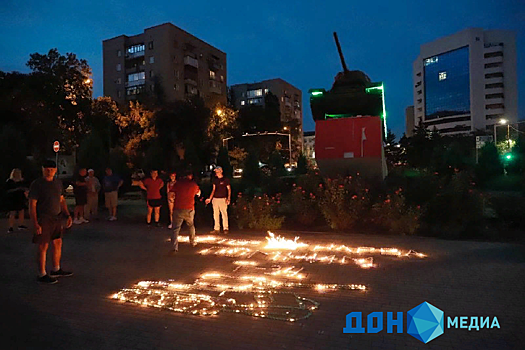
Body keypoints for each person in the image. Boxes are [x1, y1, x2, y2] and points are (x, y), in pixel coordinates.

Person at [29, 160, 73, 284]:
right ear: (43, 170)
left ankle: (56, 268)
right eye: (47, 169)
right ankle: (42, 273)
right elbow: (32, 204)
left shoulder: (58, 183)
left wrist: (67, 214)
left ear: (55, 170)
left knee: (57, 242)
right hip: (44, 217)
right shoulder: (37, 184)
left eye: (52, 169)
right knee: (43, 245)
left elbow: (61, 200)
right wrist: (35, 223)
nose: (49, 172)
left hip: (57, 217)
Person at [170, 172, 201, 253]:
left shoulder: (178, 184)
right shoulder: (193, 184)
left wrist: (172, 199)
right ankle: (192, 242)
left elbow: (171, 194)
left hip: (178, 208)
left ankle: (174, 247)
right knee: (191, 225)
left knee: (175, 228)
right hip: (189, 208)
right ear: (190, 176)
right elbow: (198, 193)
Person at [205, 166, 231, 234]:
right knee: (215, 214)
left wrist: (228, 198)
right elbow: (213, 190)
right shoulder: (215, 180)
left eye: (218, 171)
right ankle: (216, 228)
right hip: (215, 199)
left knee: (224, 214)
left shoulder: (225, 180)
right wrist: (210, 198)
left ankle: (225, 228)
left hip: (223, 199)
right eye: (216, 171)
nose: (216, 173)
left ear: (221, 171)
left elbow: (229, 189)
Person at [5, 168, 29, 233]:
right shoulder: (10, 181)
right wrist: (18, 189)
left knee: (21, 211)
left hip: (19, 198)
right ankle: (11, 227)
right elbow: (7, 190)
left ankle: (20, 225)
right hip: (13, 198)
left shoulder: (21, 181)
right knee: (13, 212)